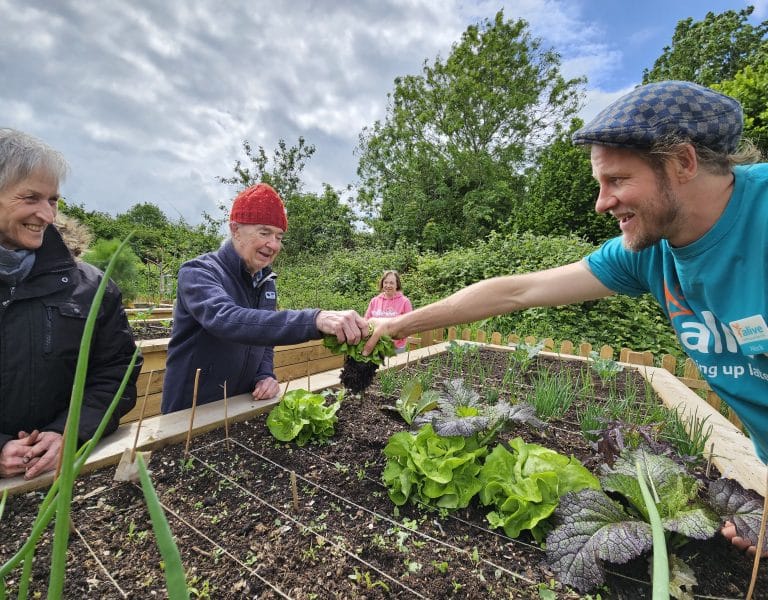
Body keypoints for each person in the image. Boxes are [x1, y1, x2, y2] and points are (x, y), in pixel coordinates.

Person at [363, 81, 768, 554]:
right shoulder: (648, 252)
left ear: (683, 162)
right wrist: (400, 324)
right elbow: (518, 292)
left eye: (616, 180)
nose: (601, 203)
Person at [0, 129, 142, 480]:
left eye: (53, 200)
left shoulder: (91, 288)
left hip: (64, 476)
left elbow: (117, 371)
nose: (47, 215)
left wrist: (70, 430)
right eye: (31, 198)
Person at [162, 183, 368, 413]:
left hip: (242, 404)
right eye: (264, 233)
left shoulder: (265, 280)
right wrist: (314, 320)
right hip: (191, 410)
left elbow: (264, 337)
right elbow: (227, 320)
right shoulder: (199, 272)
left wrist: (265, 374)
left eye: (279, 236)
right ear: (235, 229)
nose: (274, 245)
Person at [365, 270, 412, 353]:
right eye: (385, 282)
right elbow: (366, 321)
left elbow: (409, 325)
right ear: (382, 283)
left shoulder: (405, 302)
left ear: (397, 284)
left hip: (396, 348)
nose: (388, 285)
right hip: (376, 347)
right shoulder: (374, 301)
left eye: (391, 283)